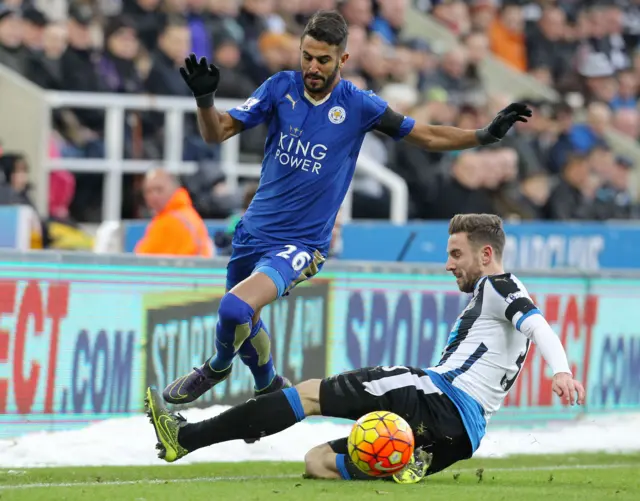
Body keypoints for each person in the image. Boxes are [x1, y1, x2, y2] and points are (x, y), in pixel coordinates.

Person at [162, 10, 532, 417]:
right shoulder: (278, 88)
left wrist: (483, 135)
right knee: (244, 319)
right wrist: (204, 99)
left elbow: (424, 134)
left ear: (343, 59)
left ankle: (215, 367)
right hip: (252, 232)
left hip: (301, 244)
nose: (312, 67)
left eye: (323, 59)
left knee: (234, 308)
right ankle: (268, 386)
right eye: (306, 56)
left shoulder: (358, 104)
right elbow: (216, 132)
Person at [145, 213, 585, 484]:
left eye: (456, 254)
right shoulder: (497, 297)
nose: (448, 264)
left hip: (436, 397)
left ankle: (185, 438)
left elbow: (538, 324)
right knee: (318, 461)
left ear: (486, 254)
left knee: (309, 394)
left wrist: (560, 371)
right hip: (462, 438)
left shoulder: (498, 286)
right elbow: (530, 324)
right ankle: (406, 459)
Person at [135, 168, 214, 257]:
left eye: (159, 189)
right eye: (148, 191)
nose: (153, 196)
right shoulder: (183, 215)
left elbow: (144, 258)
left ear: (174, 190)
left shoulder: (173, 220)